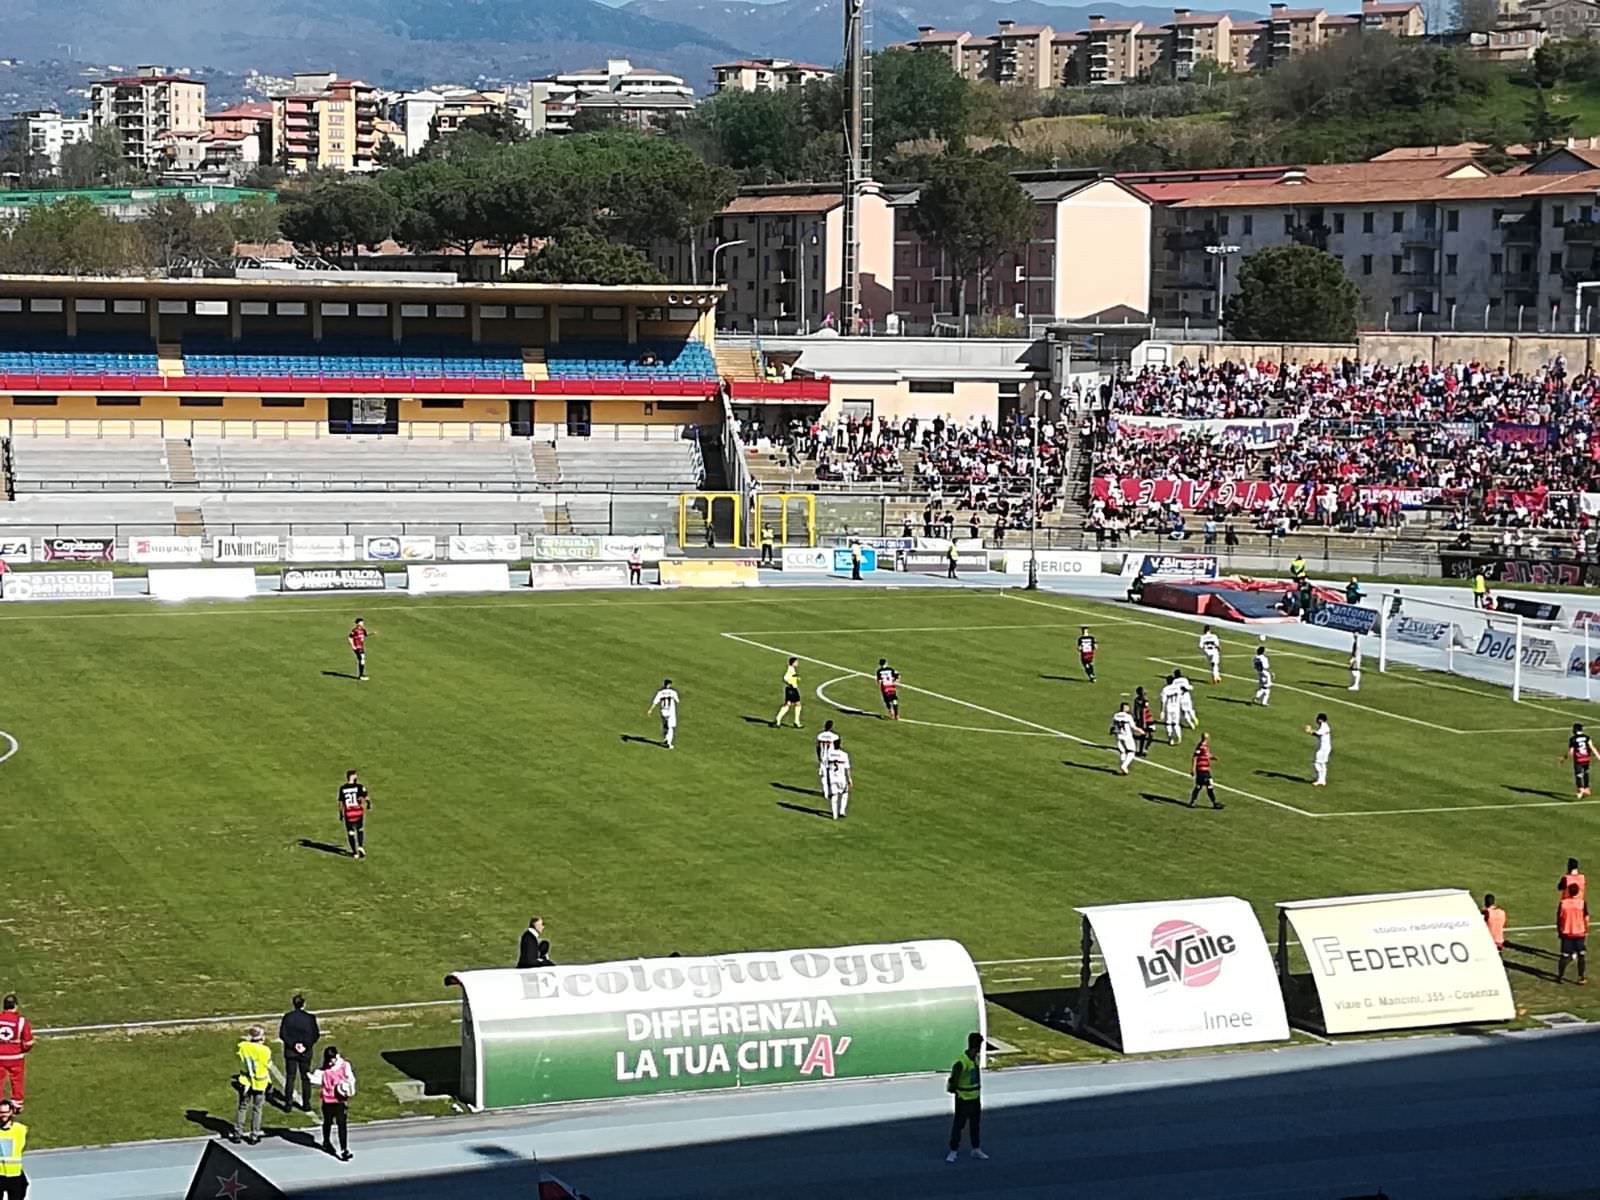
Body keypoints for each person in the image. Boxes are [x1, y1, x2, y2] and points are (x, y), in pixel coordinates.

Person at [945, 1031, 987, 1164]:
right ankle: (953, 1151)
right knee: (959, 1125)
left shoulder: (975, 1059)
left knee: (975, 1125)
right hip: (963, 1099)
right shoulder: (961, 1062)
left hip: (975, 1098)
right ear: (976, 1046)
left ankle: (976, 1148)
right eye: (979, 1045)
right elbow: (953, 1080)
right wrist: (957, 1091)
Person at [309, 1045, 356, 1162]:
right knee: (328, 1122)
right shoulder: (323, 1071)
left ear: (336, 1056)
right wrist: (309, 1077)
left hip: (339, 1100)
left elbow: (351, 1079)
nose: (331, 1063)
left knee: (342, 1124)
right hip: (328, 1100)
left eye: (332, 1060)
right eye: (329, 1060)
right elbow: (316, 1080)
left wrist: (348, 1088)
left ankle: (344, 1149)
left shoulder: (344, 1066)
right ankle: (326, 1141)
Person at [278, 994, 321, 1113]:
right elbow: (315, 1035)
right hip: (305, 1052)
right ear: (304, 1004)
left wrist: (294, 1045)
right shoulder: (310, 1018)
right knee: (305, 1078)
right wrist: (305, 1045)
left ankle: (288, 1104)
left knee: (290, 1077)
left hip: (291, 1052)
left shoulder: (288, 1017)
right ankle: (306, 1104)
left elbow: (283, 1034)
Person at [233, 1026, 272, 1145]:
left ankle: (237, 1133)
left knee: (242, 1107)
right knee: (257, 1109)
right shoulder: (265, 1050)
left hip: (245, 1081)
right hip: (260, 1082)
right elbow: (268, 1064)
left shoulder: (243, 1047)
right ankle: (254, 1135)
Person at [0, 999, 31, 1112]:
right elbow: (28, 1042)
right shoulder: (21, 1021)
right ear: (16, 1006)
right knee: (17, 1080)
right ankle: (17, 1103)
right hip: (16, 1057)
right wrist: (23, 1050)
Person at [1558, 882, 1589, 984]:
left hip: (1567, 933)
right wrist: (1586, 930)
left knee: (1564, 956)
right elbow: (1586, 918)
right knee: (1581, 955)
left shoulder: (1563, 903)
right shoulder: (1582, 903)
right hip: (1579, 933)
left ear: (1568, 891)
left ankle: (1560, 976)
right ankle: (1581, 977)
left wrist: (1560, 931)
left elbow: (1559, 918)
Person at [338, 770, 371, 859]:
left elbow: (341, 802)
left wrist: (341, 813)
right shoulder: (359, 787)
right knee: (359, 829)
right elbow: (366, 797)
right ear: (352, 777)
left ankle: (355, 853)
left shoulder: (342, 788)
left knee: (350, 832)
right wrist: (368, 804)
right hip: (357, 811)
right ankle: (360, 846)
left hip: (348, 813)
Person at [0, 1100, 25, 1200]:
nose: (3, 1115)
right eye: (1, 1112)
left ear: (11, 1112)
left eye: (6, 1112)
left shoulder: (20, 1129)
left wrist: (17, 1108)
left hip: (15, 1175)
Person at [1190, 733, 1222, 810]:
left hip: (1205, 769)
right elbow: (1195, 757)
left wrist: (1212, 757)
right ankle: (1214, 803)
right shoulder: (1200, 746)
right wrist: (1193, 768)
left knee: (1200, 786)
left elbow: (1206, 755)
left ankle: (1193, 802)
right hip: (1201, 770)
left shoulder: (1205, 746)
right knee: (1204, 785)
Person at [647, 678, 680, 750]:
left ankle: (666, 738)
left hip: (663, 711)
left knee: (665, 725)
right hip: (670, 712)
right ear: (669, 685)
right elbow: (677, 700)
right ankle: (669, 743)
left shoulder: (660, 693)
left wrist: (650, 710)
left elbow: (655, 702)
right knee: (670, 727)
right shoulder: (673, 692)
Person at [824, 740, 853, 820]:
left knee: (834, 795)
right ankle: (842, 811)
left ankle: (834, 815)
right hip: (841, 778)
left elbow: (827, 768)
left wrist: (827, 779)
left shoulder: (829, 754)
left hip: (832, 778)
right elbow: (847, 768)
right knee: (845, 793)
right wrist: (849, 779)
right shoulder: (844, 754)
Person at [774, 657, 803, 728]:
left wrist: (796, 677)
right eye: (796, 662)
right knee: (794, 704)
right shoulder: (790, 669)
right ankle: (795, 722)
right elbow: (785, 678)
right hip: (792, 689)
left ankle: (778, 720)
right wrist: (790, 683)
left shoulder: (792, 669)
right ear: (793, 663)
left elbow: (791, 677)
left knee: (792, 704)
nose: (797, 663)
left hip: (791, 689)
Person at [1565, 723, 1592, 799]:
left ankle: (1581, 789)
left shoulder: (1573, 739)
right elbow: (1592, 747)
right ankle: (1587, 788)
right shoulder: (1587, 737)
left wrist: (1564, 758)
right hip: (1586, 758)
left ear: (1574, 730)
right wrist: (1598, 756)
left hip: (1578, 759)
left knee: (1578, 774)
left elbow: (1571, 752)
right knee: (1586, 772)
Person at [1306, 713, 1332, 787]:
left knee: (1317, 763)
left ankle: (1320, 779)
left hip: (1323, 749)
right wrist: (1311, 731)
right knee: (1322, 763)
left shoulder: (1324, 727)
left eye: (1317, 718)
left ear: (1320, 720)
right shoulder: (1324, 726)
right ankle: (1322, 780)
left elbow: (1318, 734)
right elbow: (1318, 734)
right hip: (1325, 748)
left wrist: (1310, 730)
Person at [1159, 673, 1183, 746]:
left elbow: (1163, 701)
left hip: (1169, 708)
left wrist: (1162, 711)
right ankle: (1179, 736)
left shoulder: (1165, 689)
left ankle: (1171, 739)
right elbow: (1180, 697)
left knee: (1168, 724)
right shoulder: (1177, 688)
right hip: (1176, 708)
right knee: (1176, 723)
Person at [1132, 687, 1155, 758]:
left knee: (1151, 734)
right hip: (1143, 719)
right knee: (1144, 735)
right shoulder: (1139, 700)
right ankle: (1141, 751)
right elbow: (1137, 710)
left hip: (1149, 718)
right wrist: (1137, 719)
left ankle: (1145, 748)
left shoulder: (1144, 699)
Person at [347, 617, 368, 682]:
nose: (362, 623)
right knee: (361, 659)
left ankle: (361, 675)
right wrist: (353, 646)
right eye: (361, 622)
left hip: (361, 647)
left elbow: (365, 635)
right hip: (357, 647)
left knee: (362, 660)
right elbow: (349, 637)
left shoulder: (363, 630)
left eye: (362, 622)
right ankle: (361, 676)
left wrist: (372, 633)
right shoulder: (355, 630)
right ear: (357, 623)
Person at [1253, 642, 1273, 707]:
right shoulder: (1264, 658)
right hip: (1265, 673)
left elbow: (1255, 666)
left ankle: (1263, 702)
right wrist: (1271, 673)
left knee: (1263, 687)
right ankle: (1257, 697)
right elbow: (1266, 667)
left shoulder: (1255, 657)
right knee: (1266, 688)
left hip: (1259, 673)